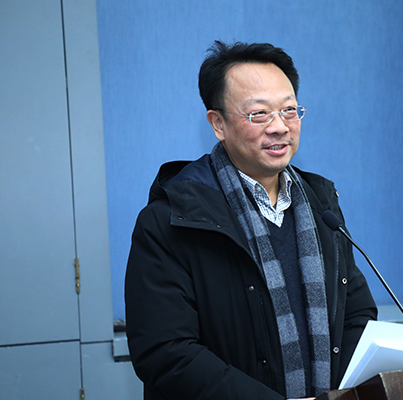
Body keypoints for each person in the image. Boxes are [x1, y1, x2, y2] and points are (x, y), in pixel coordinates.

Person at [125, 40, 378, 400]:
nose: (279, 127)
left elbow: (356, 315)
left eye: (289, 110)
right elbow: (166, 354)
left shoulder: (322, 206)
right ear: (218, 123)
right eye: (259, 114)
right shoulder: (170, 220)